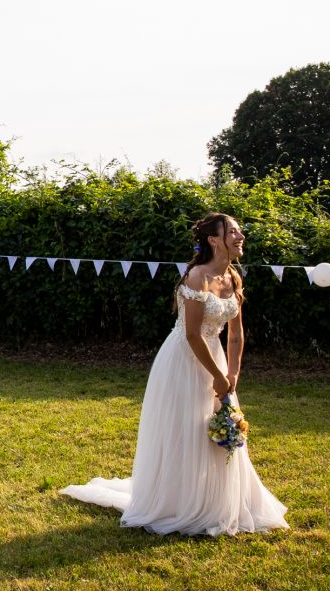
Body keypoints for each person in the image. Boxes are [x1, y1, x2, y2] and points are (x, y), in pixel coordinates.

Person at [61, 213, 289, 536]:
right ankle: (179, 501)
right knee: (187, 429)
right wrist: (217, 376)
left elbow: (236, 334)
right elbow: (193, 335)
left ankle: (217, 500)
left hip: (216, 358)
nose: (240, 237)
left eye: (240, 231)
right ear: (214, 240)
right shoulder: (197, 277)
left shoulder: (233, 277)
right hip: (184, 359)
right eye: (233, 232)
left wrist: (233, 373)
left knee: (218, 426)